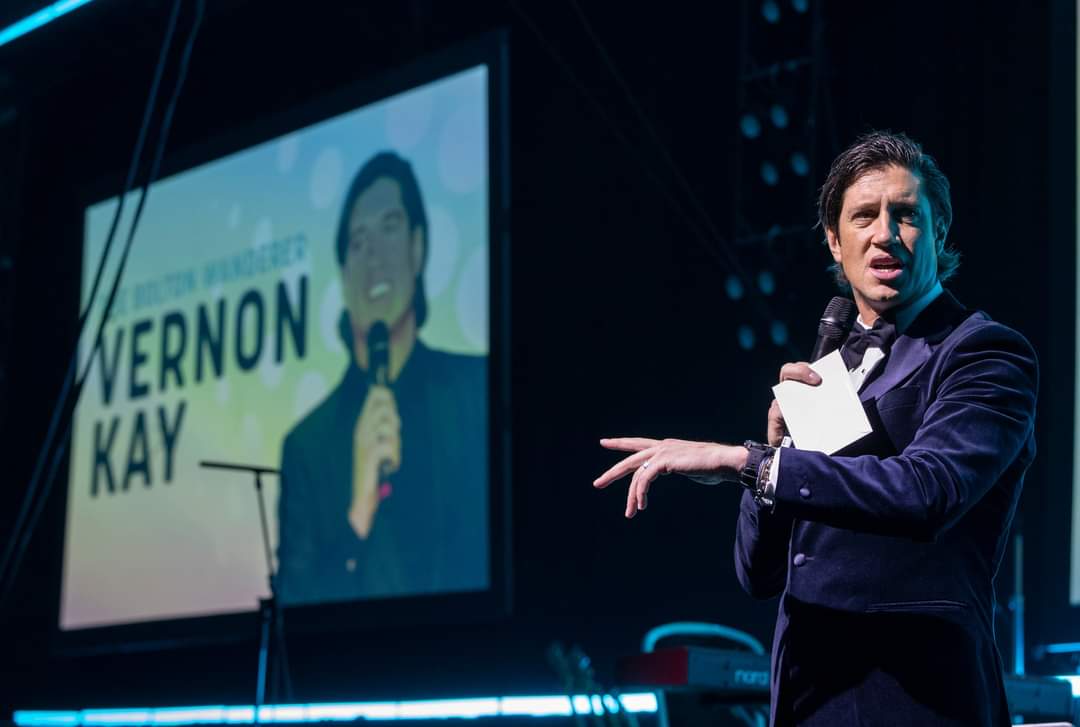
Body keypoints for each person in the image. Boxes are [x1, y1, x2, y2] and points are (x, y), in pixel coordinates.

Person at [593, 132, 1037, 725]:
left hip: (916, 702)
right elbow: (761, 573)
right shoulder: (831, 367)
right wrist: (774, 449)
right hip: (808, 700)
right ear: (835, 239)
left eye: (906, 215)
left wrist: (746, 462)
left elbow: (927, 491)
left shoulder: (983, 353)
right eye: (864, 216)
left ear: (939, 233)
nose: (885, 233)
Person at [277, 151, 488, 605]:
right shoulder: (306, 446)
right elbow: (294, 612)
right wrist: (357, 514)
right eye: (357, 241)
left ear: (417, 246)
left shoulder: (477, 390)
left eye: (389, 228)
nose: (373, 256)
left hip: (470, 660)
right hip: (352, 667)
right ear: (343, 274)